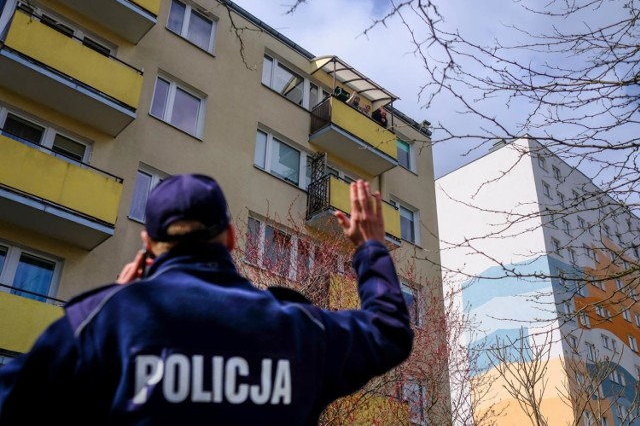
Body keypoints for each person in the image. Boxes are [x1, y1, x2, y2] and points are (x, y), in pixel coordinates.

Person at [0, 173, 413, 425]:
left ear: (148, 242)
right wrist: (370, 247)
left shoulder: (101, 323)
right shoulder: (297, 327)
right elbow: (388, 332)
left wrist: (116, 305)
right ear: (231, 238)